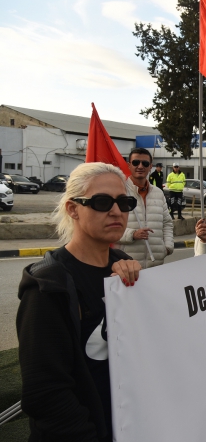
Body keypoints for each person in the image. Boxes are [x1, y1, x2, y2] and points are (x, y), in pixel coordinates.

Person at [16, 162, 142, 441]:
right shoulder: (47, 287)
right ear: (73, 209)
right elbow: (45, 394)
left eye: (124, 202)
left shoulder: (124, 266)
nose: (116, 211)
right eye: (101, 202)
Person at [113, 148, 174, 268]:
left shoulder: (158, 193)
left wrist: (167, 247)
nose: (140, 166)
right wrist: (132, 234)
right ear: (129, 165)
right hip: (126, 267)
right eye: (136, 162)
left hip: (156, 266)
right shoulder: (119, 192)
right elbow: (108, 227)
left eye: (145, 163)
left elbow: (167, 222)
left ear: (150, 166)